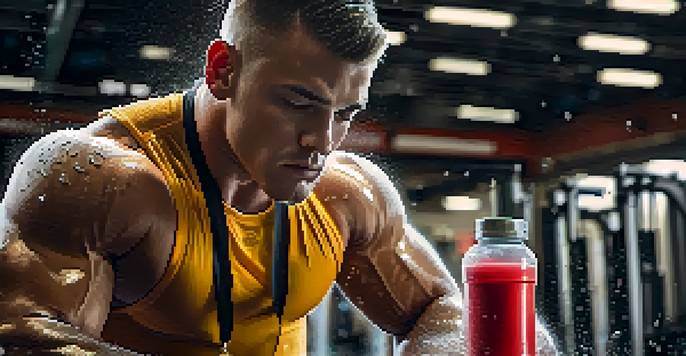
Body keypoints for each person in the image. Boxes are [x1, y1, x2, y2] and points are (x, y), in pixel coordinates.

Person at [0, 0, 559, 355]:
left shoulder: (347, 195)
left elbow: (446, 314)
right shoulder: (108, 181)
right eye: (298, 103)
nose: (324, 141)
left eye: (345, 113)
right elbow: (23, 338)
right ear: (223, 70)